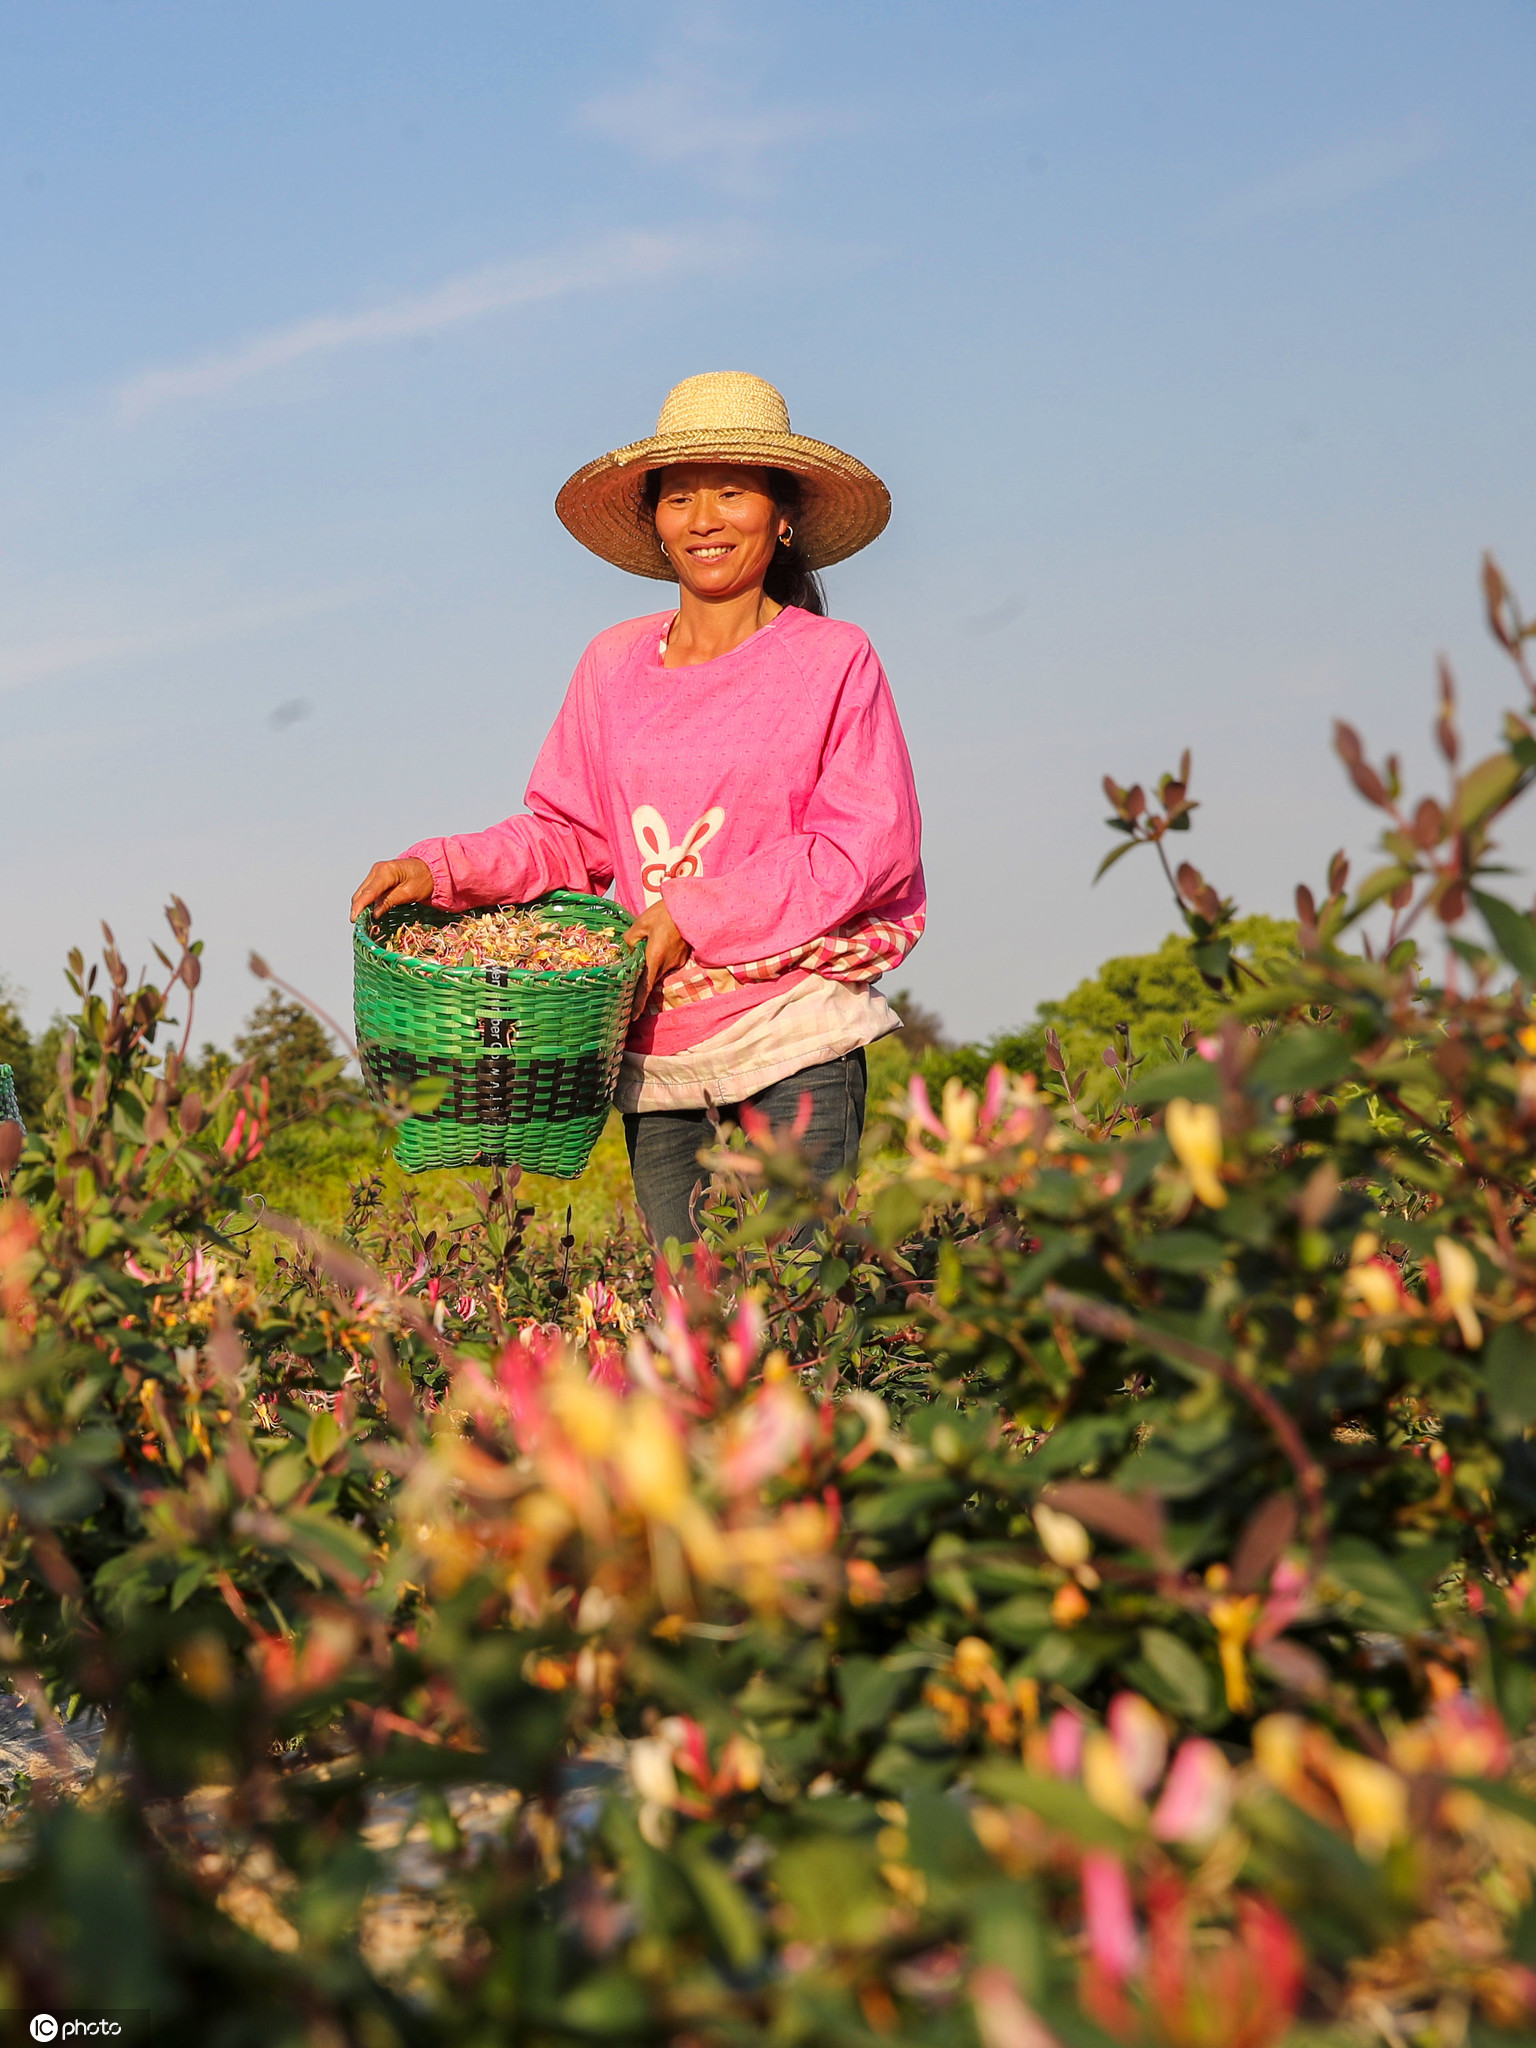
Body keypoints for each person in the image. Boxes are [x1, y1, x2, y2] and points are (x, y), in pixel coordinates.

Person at [350, 371, 925, 1247]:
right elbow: (566, 836)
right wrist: (438, 868)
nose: (705, 520)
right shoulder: (611, 664)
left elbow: (863, 847)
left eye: (733, 493)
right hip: (654, 1036)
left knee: (799, 1298)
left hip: (790, 1025)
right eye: (681, 497)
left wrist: (689, 913)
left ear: (782, 516)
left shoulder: (833, 660)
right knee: (689, 1318)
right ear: (655, 521)